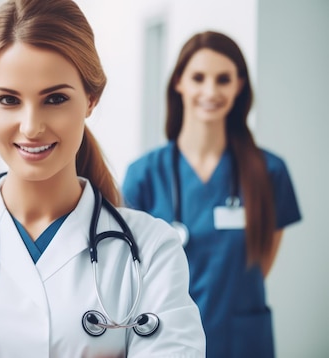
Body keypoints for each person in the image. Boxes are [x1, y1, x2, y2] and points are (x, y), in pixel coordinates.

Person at [0, 1, 205, 357]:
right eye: (9, 100)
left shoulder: (151, 250)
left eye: (55, 98)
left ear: (91, 99)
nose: (31, 126)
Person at [122, 31, 302, 358]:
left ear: (239, 85)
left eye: (223, 79)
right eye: (198, 78)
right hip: (167, 343)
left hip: (242, 342)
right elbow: (131, 274)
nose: (210, 91)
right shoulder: (144, 174)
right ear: (179, 82)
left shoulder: (269, 172)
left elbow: (261, 263)